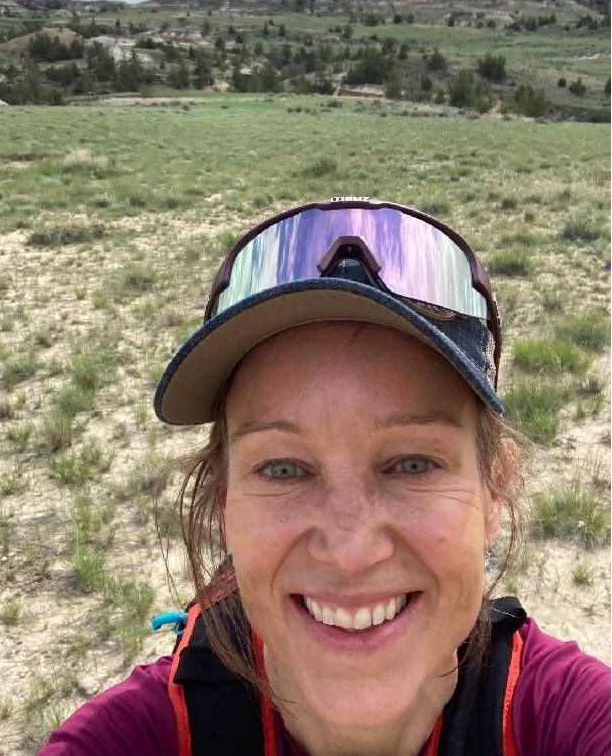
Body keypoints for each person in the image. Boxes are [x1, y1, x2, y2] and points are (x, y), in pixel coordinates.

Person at [37, 198, 610, 756]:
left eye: (412, 464)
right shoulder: (140, 733)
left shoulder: (564, 716)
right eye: (284, 469)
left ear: (494, 490)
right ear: (226, 503)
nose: (350, 551)